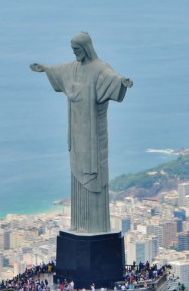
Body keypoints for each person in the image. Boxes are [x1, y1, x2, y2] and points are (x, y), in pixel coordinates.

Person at [30, 32, 133, 233]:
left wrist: (123, 82)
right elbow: (58, 70)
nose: (75, 53)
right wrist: (44, 68)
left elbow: (113, 79)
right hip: (77, 133)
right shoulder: (73, 68)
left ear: (86, 48)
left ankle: (95, 226)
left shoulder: (100, 69)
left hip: (93, 135)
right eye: (73, 50)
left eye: (77, 49)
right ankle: (79, 224)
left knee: (94, 175)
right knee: (77, 175)